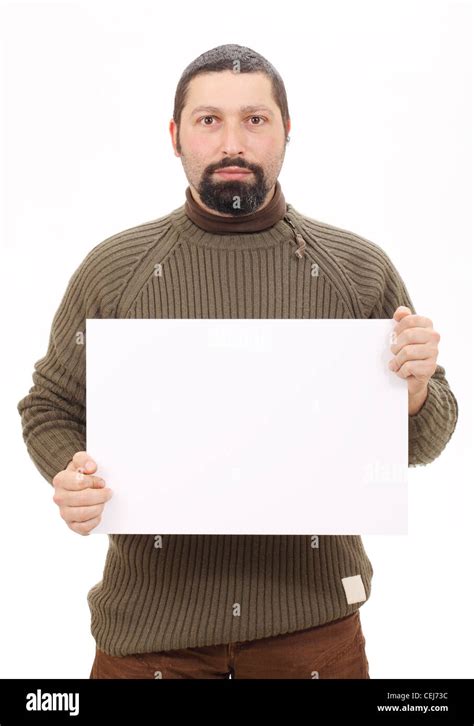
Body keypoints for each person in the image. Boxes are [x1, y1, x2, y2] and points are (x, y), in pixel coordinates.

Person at [17, 44, 458, 679]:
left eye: (255, 119)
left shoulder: (358, 270)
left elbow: (424, 438)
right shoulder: (114, 270)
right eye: (208, 121)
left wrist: (415, 389)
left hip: (313, 633)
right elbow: (50, 406)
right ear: (175, 136)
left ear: (286, 132)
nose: (232, 142)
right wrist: (71, 473)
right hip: (149, 636)